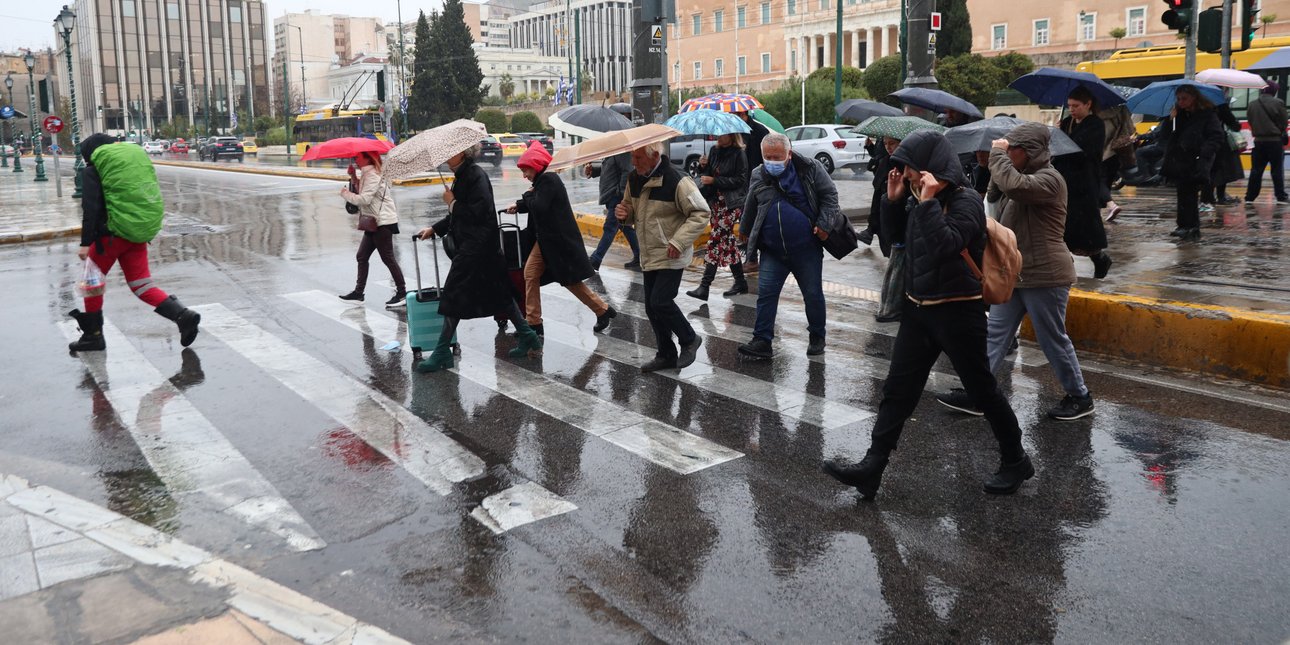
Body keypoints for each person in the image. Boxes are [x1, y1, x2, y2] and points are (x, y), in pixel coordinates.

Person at [821, 130, 1033, 500]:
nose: (906, 176)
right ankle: (873, 466)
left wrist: (930, 202)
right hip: (919, 309)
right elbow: (895, 245)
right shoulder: (918, 199)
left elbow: (945, 246)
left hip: (957, 311)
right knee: (897, 391)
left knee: (982, 390)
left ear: (933, 168)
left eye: (910, 169)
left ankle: (1016, 459)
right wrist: (891, 202)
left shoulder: (966, 201)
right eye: (904, 170)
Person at [935, 123, 1095, 421]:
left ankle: (1080, 396)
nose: (1006, 155)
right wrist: (993, 163)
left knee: (1052, 339)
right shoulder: (1021, 176)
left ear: (1028, 152)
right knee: (994, 334)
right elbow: (996, 194)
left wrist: (998, 155)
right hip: (1017, 272)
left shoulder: (1050, 179)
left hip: (1046, 273)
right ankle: (978, 392)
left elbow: (1013, 186)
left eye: (1012, 150)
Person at [67, 133, 201, 353]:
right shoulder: (128, 167)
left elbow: (90, 209)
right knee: (141, 284)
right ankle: (183, 316)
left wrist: (85, 242)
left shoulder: (93, 171)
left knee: (92, 283)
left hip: (108, 238)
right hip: (135, 232)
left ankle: (93, 337)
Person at [414, 144, 542, 372]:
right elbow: (458, 215)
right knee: (501, 295)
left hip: (479, 248)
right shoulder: (462, 176)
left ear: (462, 152)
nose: (445, 154)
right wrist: (435, 228)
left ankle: (442, 350)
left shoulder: (475, 175)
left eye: (450, 150)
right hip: (479, 248)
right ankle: (527, 335)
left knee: (453, 295)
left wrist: (452, 203)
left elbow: (478, 212)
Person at [736, 132, 841, 359]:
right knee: (766, 295)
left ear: (789, 154)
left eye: (777, 157)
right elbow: (751, 205)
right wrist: (744, 231)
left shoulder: (810, 169)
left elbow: (830, 196)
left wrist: (824, 224)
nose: (772, 162)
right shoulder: (758, 174)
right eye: (768, 157)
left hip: (806, 249)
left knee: (812, 294)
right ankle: (762, 341)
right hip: (772, 251)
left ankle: (817, 335)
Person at [614, 141, 710, 372]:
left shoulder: (677, 179)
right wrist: (623, 215)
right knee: (650, 307)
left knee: (661, 301)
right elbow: (629, 210)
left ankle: (689, 339)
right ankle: (666, 354)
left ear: (654, 155)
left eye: (638, 158)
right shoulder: (634, 179)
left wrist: (679, 241)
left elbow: (701, 212)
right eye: (632, 157)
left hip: (671, 251)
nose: (633, 162)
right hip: (649, 252)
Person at [509, 142, 618, 336]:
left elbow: (540, 206)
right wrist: (520, 204)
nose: (524, 175)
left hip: (557, 243)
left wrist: (526, 197)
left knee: (569, 281)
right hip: (546, 241)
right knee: (531, 274)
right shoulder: (542, 182)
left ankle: (602, 310)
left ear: (535, 165)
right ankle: (534, 323)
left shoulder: (549, 180)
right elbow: (536, 201)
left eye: (526, 170)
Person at [1055, 86, 1113, 279]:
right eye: (1069, 105)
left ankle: (1099, 258)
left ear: (1088, 104)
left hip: (1084, 182)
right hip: (1064, 180)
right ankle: (1066, 267)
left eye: (1076, 106)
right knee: (1062, 228)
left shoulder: (1095, 124)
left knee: (1084, 229)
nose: (1072, 109)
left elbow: (1082, 151)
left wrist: (1063, 139)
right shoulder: (1066, 123)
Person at [338, 151, 407, 308]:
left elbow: (364, 199)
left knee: (387, 257)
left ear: (367, 157)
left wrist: (345, 194)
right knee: (362, 256)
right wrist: (354, 177)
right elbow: (365, 192)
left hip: (382, 222)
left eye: (358, 156)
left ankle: (402, 293)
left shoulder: (373, 175)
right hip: (373, 221)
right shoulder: (367, 174)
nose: (355, 158)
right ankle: (358, 293)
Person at [686, 133, 750, 300]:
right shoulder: (714, 151)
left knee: (715, 241)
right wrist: (702, 166)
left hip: (731, 203)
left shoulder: (739, 154)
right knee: (727, 242)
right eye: (717, 136)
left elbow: (741, 181)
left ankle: (704, 286)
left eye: (722, 136)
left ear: (732, 136)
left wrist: (715, 180)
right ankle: (740, 282)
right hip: (716, 202)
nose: (718, 138)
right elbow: (706, 175)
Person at [1158, 85, 1225, 242]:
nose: (1180, 102)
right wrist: (1170, 119)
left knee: (1190, 194)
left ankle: (1192, 227)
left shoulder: (1207, 114)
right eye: (1179, 98)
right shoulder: (1179, 115)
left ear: (1194, 98)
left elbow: (1216, 136)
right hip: (1179, 159)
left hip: (1196, 159)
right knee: (1182, 193)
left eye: (1184, 98)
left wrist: (1204, 152)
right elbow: (1166, 135)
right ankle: (1183, 226)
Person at [585, 152, 641, 270]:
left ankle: (596, 259)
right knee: (625, 227)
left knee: (610, 227)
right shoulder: (613, 153)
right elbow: (610, 168)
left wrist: (620, 194)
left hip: (617, 197)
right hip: (611, 196)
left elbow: (628, 171)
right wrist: (594, 170)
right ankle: (639, 256)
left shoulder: (623, 153)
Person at [1244, 81, 1289, 205]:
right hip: (1274, 142)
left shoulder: (1252, 104)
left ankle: (1250, 197)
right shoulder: (1278, 103)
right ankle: (1280, 196)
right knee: (1276, 170)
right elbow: (1284, 121)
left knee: (1256, 170)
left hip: (1258, 142)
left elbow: (1250, 120)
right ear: (1274, 91)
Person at [859, 136, 900, 257]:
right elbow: (877, 154)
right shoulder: (886, 160)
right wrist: (870, 147)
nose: (888, 146)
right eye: (885, 143)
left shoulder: (903, 163)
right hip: (881, 200)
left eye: (892, 143)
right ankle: (871, 230)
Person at [1202, 100, 1245, 208]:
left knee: (1207, 169)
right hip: (1218, 141)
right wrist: (1236, 124)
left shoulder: (1199, 104)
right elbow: (1233, 123)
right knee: (1221, 169)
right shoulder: (1219, 103)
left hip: (1202, 141)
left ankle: (1207, 198)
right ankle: (1220, 197)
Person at [1099, 103, 1135, 221]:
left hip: (1101, 153)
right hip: (1117, 151)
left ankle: (1110, 206)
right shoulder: (1122, 108)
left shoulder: (1095, 113)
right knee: (1107, 181)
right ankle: (1102, 211)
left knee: (1098, 181)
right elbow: (1131, 129)